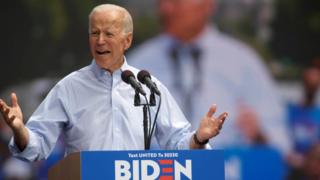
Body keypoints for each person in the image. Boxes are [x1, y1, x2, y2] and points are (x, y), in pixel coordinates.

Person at [0, 4, 228, 162]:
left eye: (108, 33)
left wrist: (199, 138)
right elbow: (36, 146)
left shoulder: (148, 86)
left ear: (127, 40)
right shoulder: (69, 87)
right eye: (94, 33)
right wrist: (20, 131)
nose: (100, 41)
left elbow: (177, 142)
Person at [128, 0, 291, 153]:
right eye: (161, 1)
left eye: (175, 2)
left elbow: (281, 144)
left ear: (208, 4)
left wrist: (260, 136)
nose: (165, 9)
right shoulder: (137, 63)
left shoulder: (243, 62)